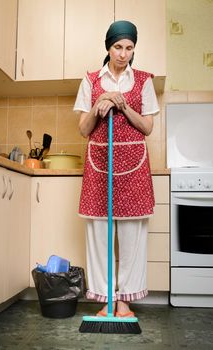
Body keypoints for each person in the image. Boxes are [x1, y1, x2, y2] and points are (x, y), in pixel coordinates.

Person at [73, 20, 159, 317]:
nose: (123, 54)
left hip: (133, 167)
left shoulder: (145, 80)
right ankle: (107, 299)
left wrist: (123, 106)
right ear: (108, 47)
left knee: (133, 236)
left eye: (129, 48)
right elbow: (84, 129)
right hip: (100, 166)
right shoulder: (91, 80)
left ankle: (124, 301)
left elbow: (147, 127)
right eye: (118, 47)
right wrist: (100, 102)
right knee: (99, 233)